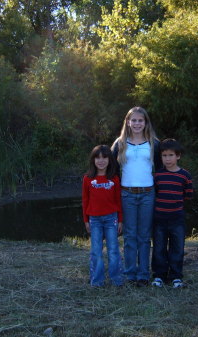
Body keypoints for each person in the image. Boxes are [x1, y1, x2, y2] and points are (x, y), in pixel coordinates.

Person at [111, 106, 161, 286]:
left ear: (145, 122)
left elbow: (161, 170)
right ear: (128, 122)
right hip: (127, 194)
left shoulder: (154, 143)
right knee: (130, 235)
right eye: (134, 120)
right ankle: (130, 273)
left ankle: (143, 274)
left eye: (141, 120)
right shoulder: (120, 143)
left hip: (148, 194)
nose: (137, 123)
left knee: (145, 235)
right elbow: (112, 170)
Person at [151, 138, 193, 288]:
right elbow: (155, 194)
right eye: (164, 156)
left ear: (178, 156)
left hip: (177, 219)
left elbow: (188, 196)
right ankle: (159, 276)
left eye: (170, 155)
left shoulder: (185, 176)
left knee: (177, 248)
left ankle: (176, 276)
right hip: (159, 219)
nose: (167, 159)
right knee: (159, 248)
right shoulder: (157, 175)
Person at [82, 145, 124, 287]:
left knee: (113, 250)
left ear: (109, 159)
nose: (101, 161)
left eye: (104, 157)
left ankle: (116, 280)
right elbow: (85, 201)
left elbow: (118, 201)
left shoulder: (114, 179)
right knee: (96, 251)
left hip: (111, 219)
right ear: (93, 160)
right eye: (97, 157)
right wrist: (86, 220)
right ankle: (97, 281)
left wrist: (120, 220)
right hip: (94, 220)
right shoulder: (88, 179)